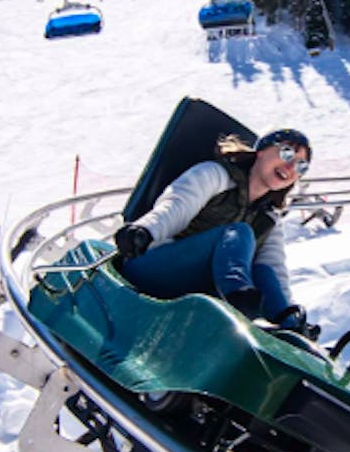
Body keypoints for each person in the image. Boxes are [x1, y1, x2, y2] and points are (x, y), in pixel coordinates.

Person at [113, 128, 312, 328]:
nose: (291, 166)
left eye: (301, 166)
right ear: (261, 151)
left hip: (198, 292)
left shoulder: (270, 219)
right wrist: (145, 230)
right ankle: (241, 305)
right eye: (287, 153)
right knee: (240, 233)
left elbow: (275, 271)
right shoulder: (215, 175)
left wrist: (285, 311)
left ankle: (291, 332)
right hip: (154, 268)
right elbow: (175, 207)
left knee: (264, 271)